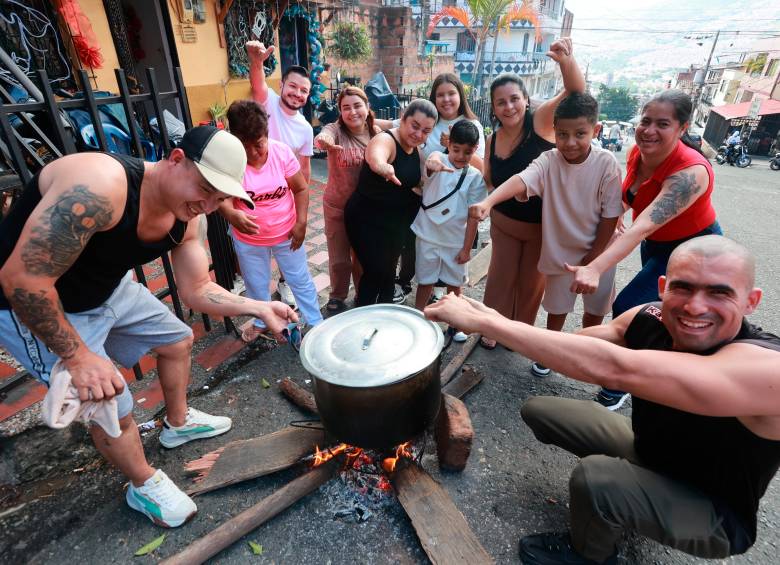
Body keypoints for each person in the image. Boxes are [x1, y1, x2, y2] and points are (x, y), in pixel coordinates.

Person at [0, 126, 296, 527]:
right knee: (109, 402)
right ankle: (143, 483)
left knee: (176, 339)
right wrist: (79, 357)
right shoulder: (100, 185)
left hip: (106, 289)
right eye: (205, 187)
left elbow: (196, 289)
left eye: (220, 196)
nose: (208, 204)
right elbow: (23, 280)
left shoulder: (190, 217)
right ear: (175, 159)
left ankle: (177, 424)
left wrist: (259, 307)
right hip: (35, 304)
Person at [425, 235, 780, 565]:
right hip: (655, 455)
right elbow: (585, 344)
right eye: (682, 287)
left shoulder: (766, 367)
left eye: (719, 293)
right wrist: (494, 317)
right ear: (663, 287)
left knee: (596, 479)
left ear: (752, 301)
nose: (695, 306)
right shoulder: (650, 317)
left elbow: (616, 369)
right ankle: (636, 495)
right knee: (542, 411)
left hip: (714, 510)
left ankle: (590, 554)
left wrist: (490, 326)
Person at [567, 90, 722, 409]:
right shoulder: (639, 153)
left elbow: (643, 226)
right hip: (657, 246)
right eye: (646, 121)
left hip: (694, 249)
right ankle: (662, 373)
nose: (649, 130)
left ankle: (621, 382)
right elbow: (627, 200)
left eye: (662, 124)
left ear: (682, 128)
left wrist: (595, 266)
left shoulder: (691, 172)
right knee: (664, 312)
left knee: (629, 307)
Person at [470, 92, 623, 377]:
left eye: (580, 133)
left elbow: (610, 215)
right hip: (561, 251)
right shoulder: (549, 159)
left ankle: (586, 353)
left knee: (595, 306)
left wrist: (594, 261)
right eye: (562, 134)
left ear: (596, 130)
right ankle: (551, 353)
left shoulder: (607, 163)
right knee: (557, 305)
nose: (570, 142)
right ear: (554, 131)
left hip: (600, 252)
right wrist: (488, 202)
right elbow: (521, 179)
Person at [479, 37, 586, 350]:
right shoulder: (492, 137)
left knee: (530, 283)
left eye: (514, 98)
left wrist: (566, 61)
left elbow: (575, 92)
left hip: (542, 227)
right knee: (500, 278)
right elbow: (489, 178)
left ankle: (519, 334)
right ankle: (492, 327)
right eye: (501, 102)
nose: (508, 106)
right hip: (504, 224)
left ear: (525, 99)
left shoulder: (539, 122)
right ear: (494, 108)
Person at [219, 101, 322, 341]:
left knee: (299, 278)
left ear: (267, 135)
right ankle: (261, 320)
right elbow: (221, 199)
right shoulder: (228, 162)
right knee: (256, 284)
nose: (253, 153)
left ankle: (316, 322)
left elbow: (300, 188)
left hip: (287, 233)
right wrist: (232, 214)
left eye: (259, 145)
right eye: (245, 147)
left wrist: (302, 223)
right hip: (249, 240)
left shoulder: (281, 152)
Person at [382, 73, 486, 304]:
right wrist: (365, 122)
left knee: (452, 274)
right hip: (425, 197)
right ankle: (409, 287)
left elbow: (480, 169)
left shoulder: (473, 128)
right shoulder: (429, 119)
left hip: (456, 215)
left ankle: (450, 311)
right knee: (418, 254)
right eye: (440, 94)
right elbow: (397, 126)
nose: (446, 99)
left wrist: (452, 151)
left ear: (460, 95)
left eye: (451, 93)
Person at [344, 99, 437, 306]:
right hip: (366, 219)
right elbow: (375, 154)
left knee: (388, 274)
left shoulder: (418, 152)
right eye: (415, 126)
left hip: (395, 224)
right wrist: (382, 166)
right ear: (403, 118)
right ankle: (363, 317)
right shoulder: (387, 140)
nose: (418, 134)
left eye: (426, 131)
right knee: (375, 272)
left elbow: (421, 182)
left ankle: (385, 319)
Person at [246, 40, 314, 307]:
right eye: (293, 86)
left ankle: (286, 286)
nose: (297, 93)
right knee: (250, 244)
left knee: (290, 249)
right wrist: (256, 62)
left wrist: (301, 209)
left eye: (304, 91)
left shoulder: (306, 129)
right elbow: (257, 84)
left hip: (282, 198)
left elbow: (304, 168)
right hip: (251, 191)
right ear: (282, 85)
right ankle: (251, 290)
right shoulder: (268, 103)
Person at [314, 86, 380, 313]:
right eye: (346, 108)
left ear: (367, 107)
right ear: (340, 112)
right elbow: (324, 135)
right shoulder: (336, 130)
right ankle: (338, 295)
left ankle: (363, 293)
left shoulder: (376, 134)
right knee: (339, 259)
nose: (352, 112)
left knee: (361, 257)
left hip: (366, 209)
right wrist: (323, 141)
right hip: (337, 206)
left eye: (357, 105)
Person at [412, 120, 486, 321]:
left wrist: (466, 249)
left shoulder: (474, 176)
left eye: (468, 152)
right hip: (428, 235)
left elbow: (473, 218)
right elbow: (431, 161)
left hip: (455, 240)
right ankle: (419, 317)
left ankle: (456, 322)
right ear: (448, 145)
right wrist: (434, 160)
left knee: (455, 284)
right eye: (456, 150)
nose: (461, 156)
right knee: (425, 281)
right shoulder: (437, 162)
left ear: (475, 149)